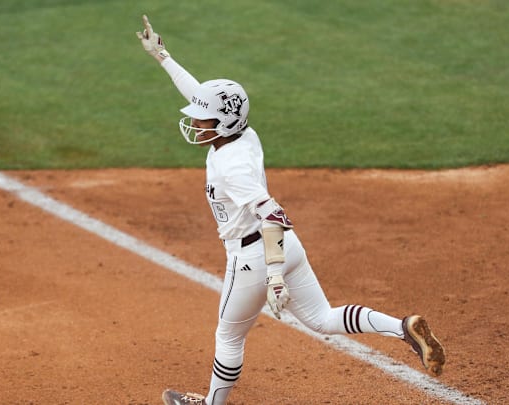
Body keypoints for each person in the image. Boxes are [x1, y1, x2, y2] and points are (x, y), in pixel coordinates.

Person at [136, 15, 445, 405]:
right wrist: (162, 56)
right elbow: (203, 94)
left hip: (258, 256)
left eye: (203, 120)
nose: (196, 124)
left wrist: (276, 276)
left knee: (228, 336)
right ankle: (403, 328)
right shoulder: (242, 133)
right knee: (323, 319)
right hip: (288, 247)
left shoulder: (233, 168)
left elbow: (274, 215)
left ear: (223, 123)